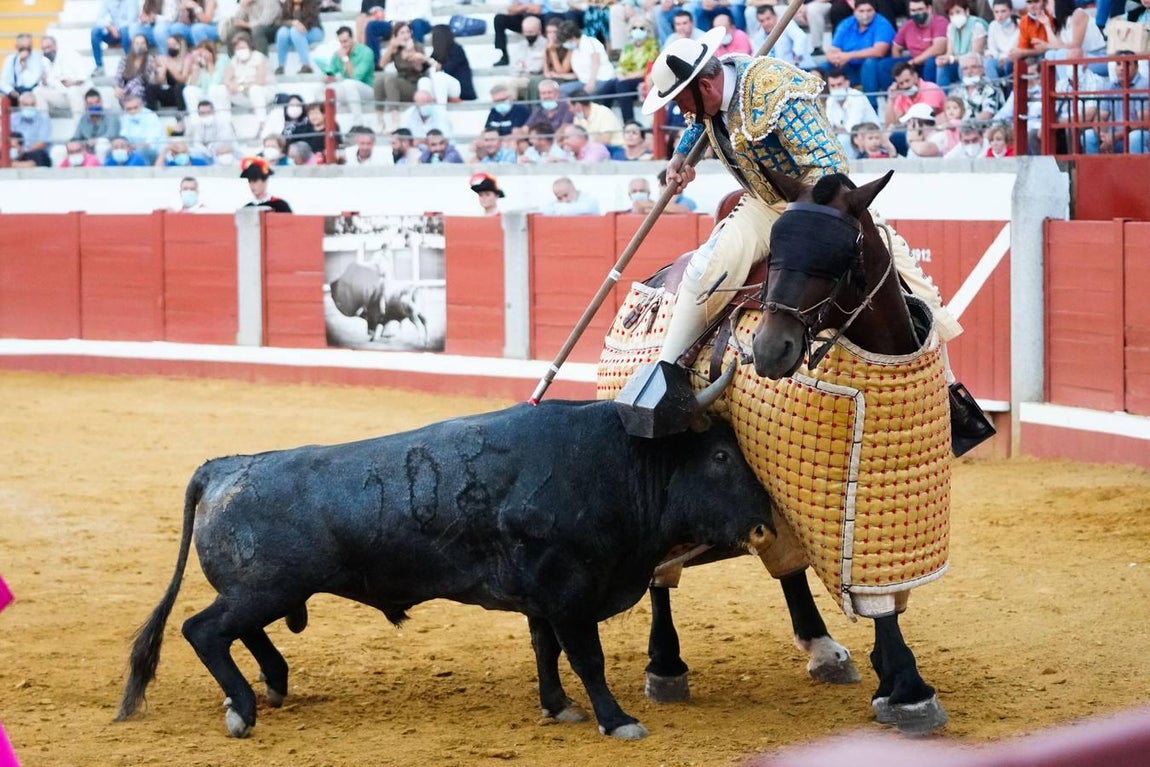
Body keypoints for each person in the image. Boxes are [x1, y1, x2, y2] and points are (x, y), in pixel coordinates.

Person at [642, 30, 960, 371]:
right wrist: (681, 155)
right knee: (702, 273)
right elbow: (698, 124)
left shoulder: (776, 87)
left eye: (678, 100)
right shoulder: (707, 96)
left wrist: (805, 218)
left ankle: (946, 386)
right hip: (763, 203)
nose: (679, 110)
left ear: (705, 86)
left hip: (820, 206)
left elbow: (829, 163)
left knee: (911, 283)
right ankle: (666, 373)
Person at [823, 0, 895, 100]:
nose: (865, 14)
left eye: (869, 10)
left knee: (870, 63)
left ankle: (871, 104)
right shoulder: (846, 23)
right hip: (849, 67)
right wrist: (834, 58)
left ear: (875, 11)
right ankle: (824, 105)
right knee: (823, 67)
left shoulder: (882, 24)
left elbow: (879, 51)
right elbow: (833, 49)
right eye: (861, 11)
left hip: (872, 68)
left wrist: (848, 56)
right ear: (854, 11)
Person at [594, 16, 659, 123]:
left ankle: (629, 121)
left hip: (642, 78)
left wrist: (627, 76)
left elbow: (651, 68)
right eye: (634, 28)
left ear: (647, 30)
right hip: (626, 79)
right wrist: (620, 74)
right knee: (609, 85)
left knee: (621, 84)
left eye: (641, 28)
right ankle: (602, 119)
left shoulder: (653, 46)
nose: (637, 30)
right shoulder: (628, 47)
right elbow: (621, 66)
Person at [376, 21, 431, 129]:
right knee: (379, 80)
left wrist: (411, 52)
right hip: (399, 85)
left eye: (407, 32)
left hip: (414, 84)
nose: (406, 35)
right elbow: (381, 65)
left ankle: (395, 118)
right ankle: (379, 118)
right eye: (402, 33)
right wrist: (391, 48)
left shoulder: (417, 46)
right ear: (396, 36)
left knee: (390, 79)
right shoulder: (397, 50)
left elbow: (419, 69)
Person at [823, 66, 881, 154]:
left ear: (847, 83)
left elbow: (852, 129)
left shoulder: (857, 97)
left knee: (843, 140)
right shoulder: (830, 100)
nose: (836, 88)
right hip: (850, 137)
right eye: (833, 86)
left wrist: (837, 129)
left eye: (839, 84)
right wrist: (837, 130)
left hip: (870, 136)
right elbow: (828, 127)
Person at [889, 0, 949, 85]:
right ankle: (896, 92)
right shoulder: (908, 25)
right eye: (913, 11)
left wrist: (914, 61)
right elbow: (896, 47)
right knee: (884, 65)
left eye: (920, 9)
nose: (917, 13)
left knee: (930, 61)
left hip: (932, 63)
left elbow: (938, 48)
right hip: (913, 63)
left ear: (929, 9)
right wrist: (901, 68)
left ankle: (929, 92)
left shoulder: (940, 22)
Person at [322, 26, 376, 120]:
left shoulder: (366, 52)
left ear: (352, 38)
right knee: (327, 89)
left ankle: (358, 123)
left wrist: (345, 59)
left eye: (345, 41)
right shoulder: (338, 54)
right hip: (348, 89)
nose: (343, 45)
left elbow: (355, 77)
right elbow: (330, 71)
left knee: (348, 84)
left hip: (367, 89)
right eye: (341, 42)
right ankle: (329, 124)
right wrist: (328, 78)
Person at [221, 33, 273, 127]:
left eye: (243, 47)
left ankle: (262, 122)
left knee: (255, 89)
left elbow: (260, 82)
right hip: (243, 95)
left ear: (249, 46)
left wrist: (240, 87)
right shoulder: (234, 60)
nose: (240, 50)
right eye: (238, 48)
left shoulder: (260, 58)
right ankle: (225, 124)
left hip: (264, 93)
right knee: (220, 89)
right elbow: (226, 79)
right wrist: (230, 85)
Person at [935, 0, 988, 88]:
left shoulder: (977, 25)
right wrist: (943, 59)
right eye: (951, 14)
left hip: (975, 64)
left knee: (964, 67)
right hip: (957, 63)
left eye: (958, 12)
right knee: (942, 67)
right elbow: (949, 52)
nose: (955, 16)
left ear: (967, 11)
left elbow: (975, 55)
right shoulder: (951, 27)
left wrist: (952, 59)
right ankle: (943, 96)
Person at [557, 20, 615, 97]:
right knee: (562, 89)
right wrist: (558, 75)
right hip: (584, 82)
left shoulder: (590, 42)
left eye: (565, 41)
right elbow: (579, 74)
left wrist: (591, 82)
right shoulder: (575, 51)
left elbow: (595, 63)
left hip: (601, 80)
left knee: (584, 95)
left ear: (573, 38)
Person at [38, 36, 91, 118]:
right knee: (38, 91)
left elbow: (84, 76)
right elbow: (49, 84)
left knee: (73, 90)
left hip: (80, 93)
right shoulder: (45, 62)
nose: (47, 51)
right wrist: (44, 80)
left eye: (49, 47)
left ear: (56, 46)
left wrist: (73, 83)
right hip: (63, 96)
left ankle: (80, 127)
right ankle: (43, 124)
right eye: (44, 49)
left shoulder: (70, 55)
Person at [426, 24, 476, 103]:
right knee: (425, 80)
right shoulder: (438, 52)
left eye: (432, 35)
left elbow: (448, 69)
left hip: (461, 89)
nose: (431, 38)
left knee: (439, 76)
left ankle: (440, 106)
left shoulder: (456, 49)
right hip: (445, 88)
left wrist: (436, 65)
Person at [493, 0, 547, 67]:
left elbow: (537, 10)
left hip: (537, 19)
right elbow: (510, 11)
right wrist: (527, 7)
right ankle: (504, 55)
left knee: (528, 15)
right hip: (520, 17)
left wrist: (519, 7)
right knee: (499, 18)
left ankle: (534, 55)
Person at [274, 0, 323, 74]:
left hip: (313, 30)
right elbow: (279, 21)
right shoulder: (287, 4)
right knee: (282, 32)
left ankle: (306, 65)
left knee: (295, 31)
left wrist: (299, 24)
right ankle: (281, 66)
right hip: (294, 32)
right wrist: (293, 23)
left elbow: (312, 21)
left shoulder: (312, 3)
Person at [147, 33, 193, 111]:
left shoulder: (188, 58)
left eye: (174, 44)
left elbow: (183, 80)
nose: (170, 47)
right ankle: (152, 114)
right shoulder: (166, 59)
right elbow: (159, 81)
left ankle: (180, 116)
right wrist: (159, 70)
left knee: (179, 87)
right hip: (170, 91)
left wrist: (169, 65)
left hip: (183, 91)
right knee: (151, 88)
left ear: (181, 45)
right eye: (168, 44)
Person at [91, 0, 138, 77]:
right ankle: (99, 67)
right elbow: (99, 19)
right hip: (114, 33)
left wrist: (117, 29)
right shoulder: (108, 1)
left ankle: (130, 65)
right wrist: (110, 27)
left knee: (124, 30)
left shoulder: (132, 1)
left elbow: (131, 21)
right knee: (95, 31)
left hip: (128, 34)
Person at [952, 54, 1004, 121]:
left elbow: (987, 115)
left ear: (983, 69)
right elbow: (948, 113)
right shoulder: (957, 90)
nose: (969, 71)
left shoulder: (992, 88)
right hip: (959, 127)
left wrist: (962, 124)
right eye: (965, 68)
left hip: (986, 129)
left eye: (974, 67)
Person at [182, 40, 229, 114]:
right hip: (204, 93)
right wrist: (196, 67)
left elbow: (217, 81)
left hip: (219, 93)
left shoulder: (222, 59)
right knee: (188, 90)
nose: (202, 55)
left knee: (214, 89)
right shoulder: (199, 65)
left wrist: (210, 63)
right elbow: (191, 85)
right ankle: (195, 120)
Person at [507, 15, 548, 99]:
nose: (528, 35)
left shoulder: (546, 45)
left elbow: (537, 68)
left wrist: (524, 67)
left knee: (510, 84)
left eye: (531, 32)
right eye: (526, 32)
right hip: (519, 77)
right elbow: (514, 66)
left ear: (539, 31)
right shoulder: (521, 45)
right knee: (501, 85)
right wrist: (522, 68)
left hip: (534, 78)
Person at [73, 89, 121, 158]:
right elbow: (76, 137)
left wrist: (96, 141)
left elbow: (112, 135)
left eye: (97, 102)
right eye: (90, 104)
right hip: (87, 148)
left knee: (102, 144)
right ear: (85, 105)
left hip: (108, 148)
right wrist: (83, 143)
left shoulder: (111, 115)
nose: (94, 106)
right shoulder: (84, 118)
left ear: (101, 102)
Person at [113, 34, 157, 108]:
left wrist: (125, 90)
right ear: (132, 45)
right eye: (136, 43)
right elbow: (118, 76)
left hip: (142, 90)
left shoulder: (150, 60)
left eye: (142, 43)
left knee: (137, 88)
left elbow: (143, 78)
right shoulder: (125, 59)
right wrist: (116, 87)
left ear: (146, 46)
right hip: (125, 93)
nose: (139, 45)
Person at [119, 94, 166, 163]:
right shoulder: (125, 117)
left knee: (140, 153)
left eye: (135, 108)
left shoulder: (151, 117)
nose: (132, 111)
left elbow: (150, 144)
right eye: (129, 109)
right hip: (132, 149)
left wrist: (132, 147)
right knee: (113, 152)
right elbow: (123, 138)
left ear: (141, 106)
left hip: (154, 153)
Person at [9, 93, 53, 158]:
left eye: (32, 105)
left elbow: (43, 143)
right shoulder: (13, 118)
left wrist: (24, 151)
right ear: (20, 105)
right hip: (17, 151)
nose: (29, 107)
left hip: (36, 152)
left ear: (36, 105)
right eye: (26, 105)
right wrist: (18, 149)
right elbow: (10, 137)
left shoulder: (44, 119)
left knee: (37, 155)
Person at [985, 0, 1019, 81]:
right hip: (998, 59)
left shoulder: (1020, 24)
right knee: (989, 63)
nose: (999, 15)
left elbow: (1018, 47)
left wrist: (1006, 58)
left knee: (1009, 63)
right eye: (996, 12)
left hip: (1013, 59)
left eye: (1003, 11)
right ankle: (995, 89)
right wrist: (999, 58)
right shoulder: (993, 25)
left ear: (1011, 11)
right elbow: (992, 48)